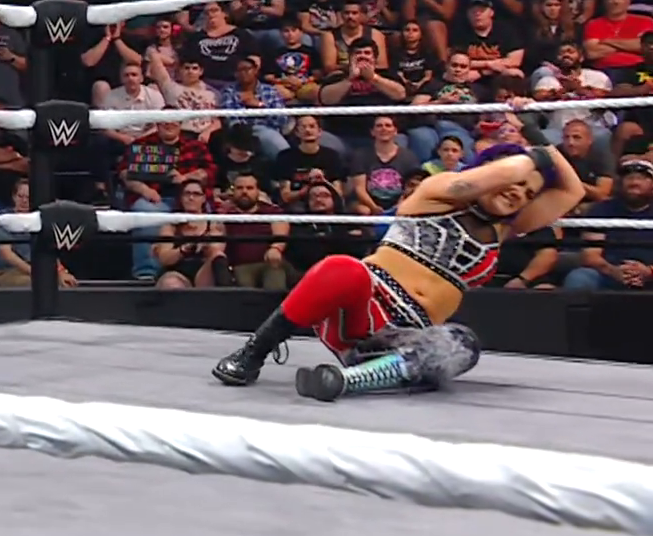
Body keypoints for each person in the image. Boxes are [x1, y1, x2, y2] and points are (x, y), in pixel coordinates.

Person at [212, 143, 583, 401]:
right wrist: (530, 158)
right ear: (489, 173)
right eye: (513, 181)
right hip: (362, 310)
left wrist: (543, 145)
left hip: (407, 335)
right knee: (344, 267)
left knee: (462, 343)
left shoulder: (506, 229)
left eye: (528, 193)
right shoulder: (438, 191)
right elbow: (503, 172)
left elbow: (573, 192)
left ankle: (346, 380)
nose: (518, 192)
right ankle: (252, 354)